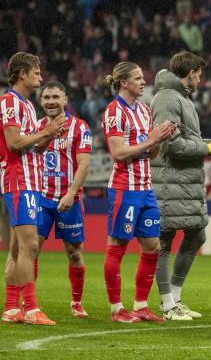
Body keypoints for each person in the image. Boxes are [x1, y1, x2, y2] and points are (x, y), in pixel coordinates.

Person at [151, 52, 211, 321]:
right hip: (168, 181)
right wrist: (209, 147)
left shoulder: (182, 98)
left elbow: (187, 140)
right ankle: (167, 304)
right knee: (163, 242)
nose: (200, 79)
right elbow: (171, 145)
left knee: (197, 235)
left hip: (186, 181)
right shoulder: (167, 98)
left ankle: (175, 299)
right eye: (199, 74)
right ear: (189, 73)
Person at [101, 61, 176, 323]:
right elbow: (118, 153)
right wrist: (151, 139)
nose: (144, 81)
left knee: (153, 246)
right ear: (124, 83)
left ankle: (141, 306)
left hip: (145, 188)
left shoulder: (144, 110)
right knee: (117, 246)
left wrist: (160, 139)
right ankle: (116, 309)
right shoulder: (114, 111)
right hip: (125, 188)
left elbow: (151, 153)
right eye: (138, 78)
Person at [2, 53, 66, 325]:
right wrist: (46, 131)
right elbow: (14, 143)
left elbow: (32, 148)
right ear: (21, 74)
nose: (41, 76)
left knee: (18, 249)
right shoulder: (10, 102)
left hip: (29, 180)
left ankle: (11, 308)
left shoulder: (27, 105)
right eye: (36, 72)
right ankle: (30, 309)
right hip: (19, 180)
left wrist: (49, 135)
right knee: (30, 246)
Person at [36, 81, 93, 318]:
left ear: (65, 100)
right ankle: (28, 303)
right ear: (41, 101)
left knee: (74, 253)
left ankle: (76, 302)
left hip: (68, 200)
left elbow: (84, 164)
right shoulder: (36, 126)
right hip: (40, 198)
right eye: (46, 97)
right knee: (31, 250)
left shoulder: (80, 127)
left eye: (55, 97)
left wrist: (71, 193)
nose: (51, 101)